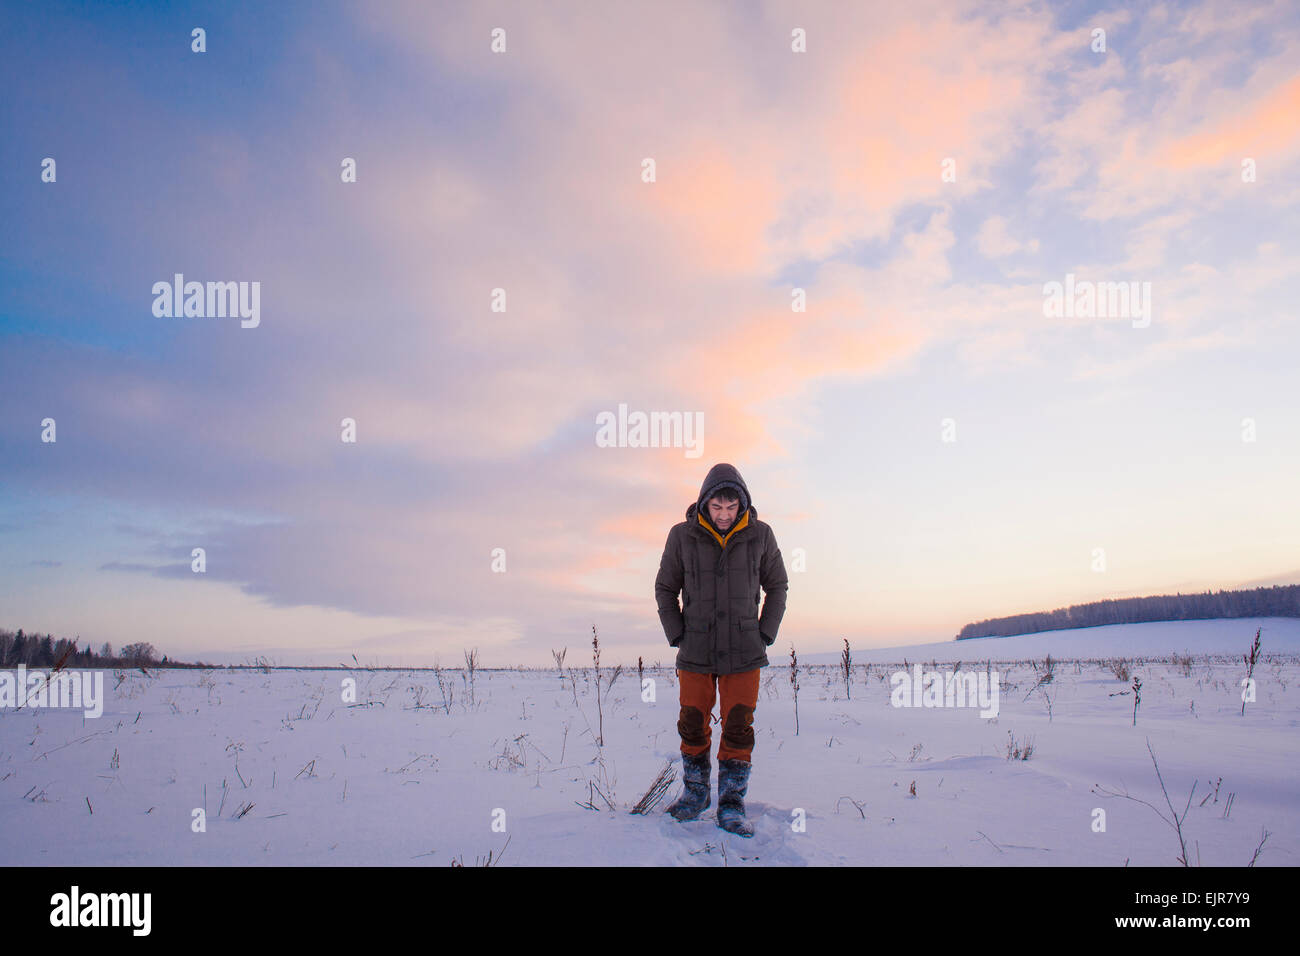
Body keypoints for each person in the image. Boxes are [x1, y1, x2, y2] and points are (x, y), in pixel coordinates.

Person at [654, 462, 788, 836]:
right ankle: (695, 795)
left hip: (744, 651)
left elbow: (778, 585)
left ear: (741, 505)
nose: (725, 515)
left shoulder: (760, 535)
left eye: (731, 509)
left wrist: (764, 633)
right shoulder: (681, 536)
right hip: (696, 649)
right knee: (692, 724)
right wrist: (677, 632)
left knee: (738, 726)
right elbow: (665, 587)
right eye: (717, 508)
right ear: (704, 504)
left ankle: (732, 803)